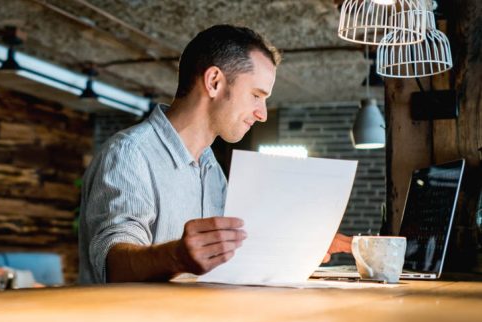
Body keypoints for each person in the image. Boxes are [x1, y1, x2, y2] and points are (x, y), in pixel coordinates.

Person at [78, 25, 352, 284]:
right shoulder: (129, 154)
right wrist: (177, 256)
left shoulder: (211, 169)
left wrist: (297, 246)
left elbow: (226, 253)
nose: (263, 113)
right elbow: (113, 266)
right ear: (214, 82)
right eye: (256, 95)